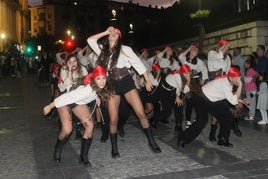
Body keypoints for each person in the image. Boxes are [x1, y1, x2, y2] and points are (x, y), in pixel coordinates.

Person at [87, 26, 161, 158]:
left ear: (120, 37)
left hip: (127, 82)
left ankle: (152, 141)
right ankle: (114, 148)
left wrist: (147, 80)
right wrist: (105, 31)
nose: (113, 34)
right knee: (113, 119)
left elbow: (138, 64)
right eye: (112, 33)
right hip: (112, 84)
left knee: (141, 113)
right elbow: (90, 40)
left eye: (116, 33)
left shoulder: (125, 49)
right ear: (108, 36)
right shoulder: (102, 51)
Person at [43, 66, 114, 166]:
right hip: (66, 102)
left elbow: (97, 91)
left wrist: (97, 97)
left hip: (77, 102)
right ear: (94, 79)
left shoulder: (98, 87)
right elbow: (66, 97)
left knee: (90, 125)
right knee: (67, 130)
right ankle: (57, 148)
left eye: (103, 78)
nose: (102, 82)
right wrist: (50, 106)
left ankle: (83, 156)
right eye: (98, 79)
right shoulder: (86, 91)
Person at [177, 67, 247, 148]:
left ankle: (223, 139)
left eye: (239, 79)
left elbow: (230, 96)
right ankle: (182, 137)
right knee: (202, 120)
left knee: (227, 114)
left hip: (211, 100)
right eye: (237, 79)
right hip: (201, 98)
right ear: (230, 78)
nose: (238, 81)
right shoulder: (225, 84)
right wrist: (241, 85)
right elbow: (233, 101)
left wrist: (241, 101)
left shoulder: (227, 82)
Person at [178, 45, 208, 128]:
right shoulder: (184, 59)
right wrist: (188, 48)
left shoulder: (199, 61)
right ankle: (188, 120)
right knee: (189, 102)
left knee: (198, 100)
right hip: (186, 82)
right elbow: (180, 56)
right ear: (190, 51)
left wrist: (203, 79)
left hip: (195, 82)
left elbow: (204, 69)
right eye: (194, 50)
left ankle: (197, 118)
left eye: (197, 50)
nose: (196, 51)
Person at [244, 55, 258, 120]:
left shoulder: (251, 69)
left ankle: (252, 115)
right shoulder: (248, 70)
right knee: (249, 102)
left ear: (249, 64)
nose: (244, 65)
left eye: (246, 63)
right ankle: (251, 114)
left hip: (251, 89)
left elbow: (257, 74)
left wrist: (253, 78)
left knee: (251, 102)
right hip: (249, 89)